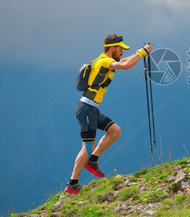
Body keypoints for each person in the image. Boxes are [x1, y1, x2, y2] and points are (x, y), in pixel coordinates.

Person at [65, 33, 151, 195]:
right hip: (87, 108)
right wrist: (142, 53)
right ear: (113, 49)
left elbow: (124, 62)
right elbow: (126, 66)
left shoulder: (104, 61)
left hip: (92, 108)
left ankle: (92, 161)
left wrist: (141, 51)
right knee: (87, 147)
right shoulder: (105, 61)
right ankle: (72, 183)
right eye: (121, 49)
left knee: (115, 131)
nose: (122, 53)